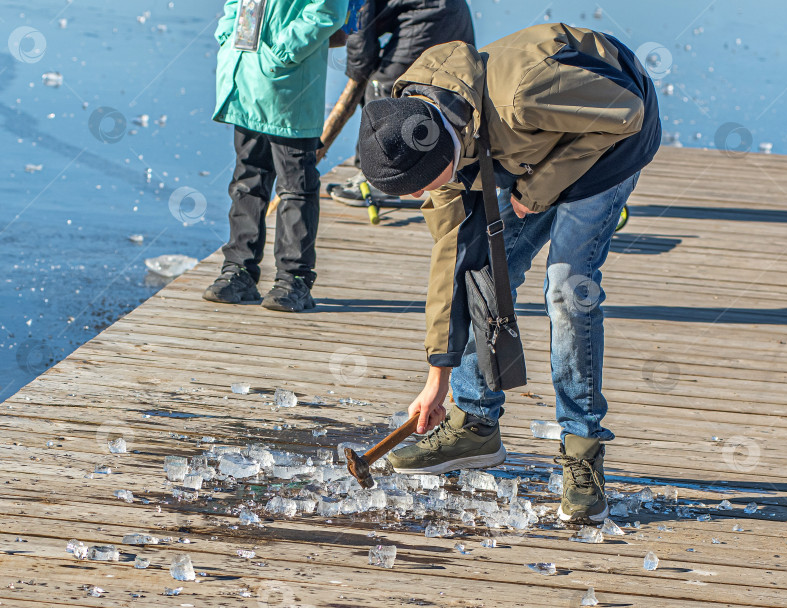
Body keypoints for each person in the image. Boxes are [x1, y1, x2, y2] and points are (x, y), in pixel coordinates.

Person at [357, 23, 661, 523]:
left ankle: (582, 450)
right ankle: (474, 424)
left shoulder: (521, 95)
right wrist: (438, 375)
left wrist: (535, 189)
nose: (416, 199)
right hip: (533, 143)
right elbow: (452, 260)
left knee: (566, 286)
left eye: (416, 188)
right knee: (482, 270)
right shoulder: (421, 124)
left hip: (612, 135)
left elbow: (626, 114)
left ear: (444, 156)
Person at [204, 0, 350, 312]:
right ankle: (238, 271)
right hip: (244, 81)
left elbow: (328, 12)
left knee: (296, 187)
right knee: (246, 180)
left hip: (288, 88)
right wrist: (228, 37)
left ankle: (294, 279)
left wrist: (280, 54)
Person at [327, 0, 474, 204]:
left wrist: (358, 72)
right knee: (440, 90)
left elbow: (359, 27)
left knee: (381, 86)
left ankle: (378, 183)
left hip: (430, 15)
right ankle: (439, 166)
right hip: (447, 11)